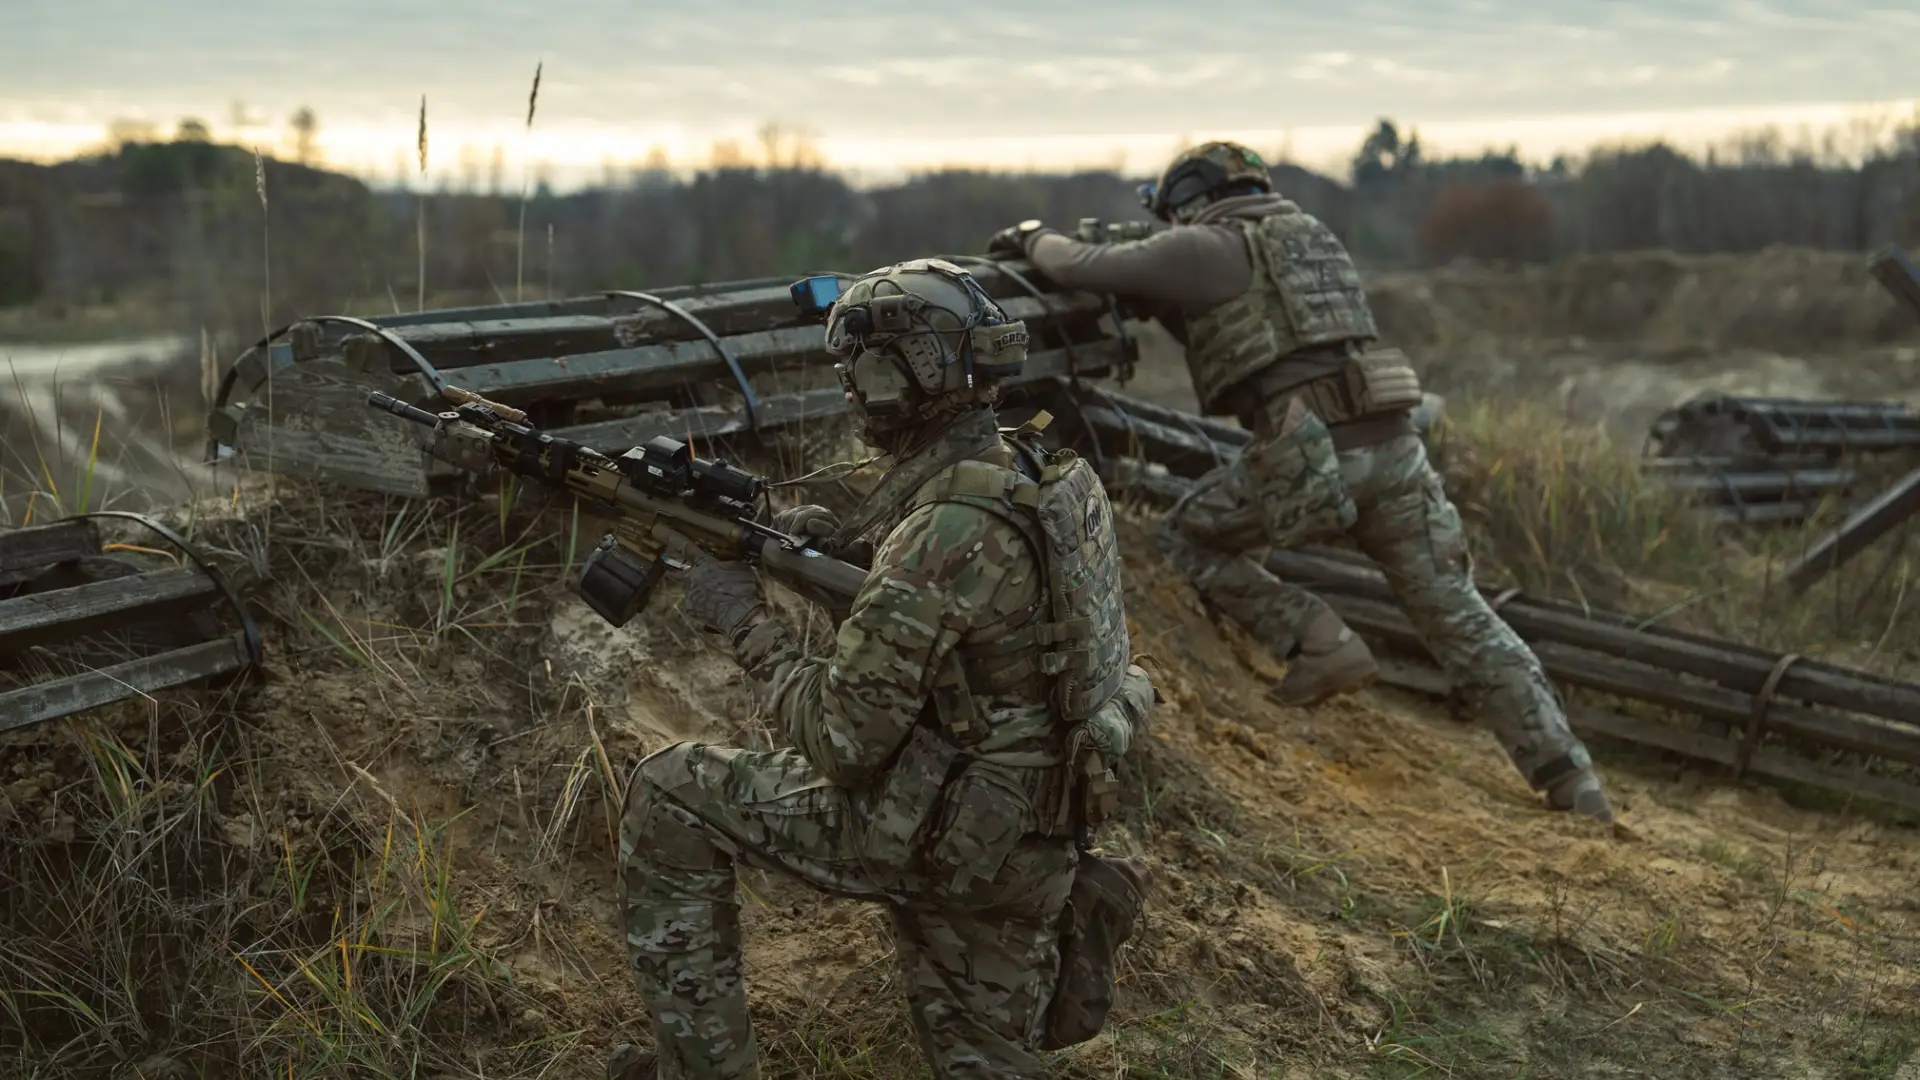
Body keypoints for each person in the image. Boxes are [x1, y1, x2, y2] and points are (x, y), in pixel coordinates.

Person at [609, 258, 1158, 1079]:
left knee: (670, 790)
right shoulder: (1044, 474)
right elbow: (988, 633)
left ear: (911, 373)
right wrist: (850, 555)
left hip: (941, 836)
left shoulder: (944, 529)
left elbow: (842, 742)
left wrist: (747, 621)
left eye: (858, 367)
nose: (848, 389)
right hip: (1032, 839)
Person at [986, 142, 1614, 823]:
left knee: (1184, 540)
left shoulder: (1208, 245)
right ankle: (1570, 775)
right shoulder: (1307, 237)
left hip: (1312, 452)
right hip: (1394, 445)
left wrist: (1032, 235)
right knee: (1460, 615)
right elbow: (1259, 327)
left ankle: (1319, 639)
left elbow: (1079, 265)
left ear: (1191, 201)